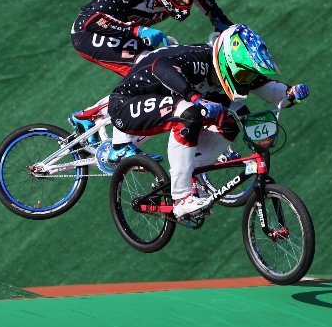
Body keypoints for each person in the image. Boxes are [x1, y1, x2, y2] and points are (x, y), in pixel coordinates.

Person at [107, 24, 310, 219]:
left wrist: (291, 93)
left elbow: (272, 91)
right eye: (243, 74)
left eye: (249, 75)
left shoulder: (234, 71)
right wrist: (195, 98)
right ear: (226, 61)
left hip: (167, 101)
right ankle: (181, 197)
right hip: (126, 103)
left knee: (234, 114)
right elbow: (160, 65)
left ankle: (195, 172)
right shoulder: (199, 61)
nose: (246, 80)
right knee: (188, 114)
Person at [68, 0, 233, 162]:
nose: (186, 1)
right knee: (148, 71)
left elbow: (209, 6)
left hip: (125, 35)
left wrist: (226, 27)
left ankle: (89, 117)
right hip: (91, 33)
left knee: (164, 68)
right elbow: (91, 20)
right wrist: (137, 30)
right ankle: (120, 145)